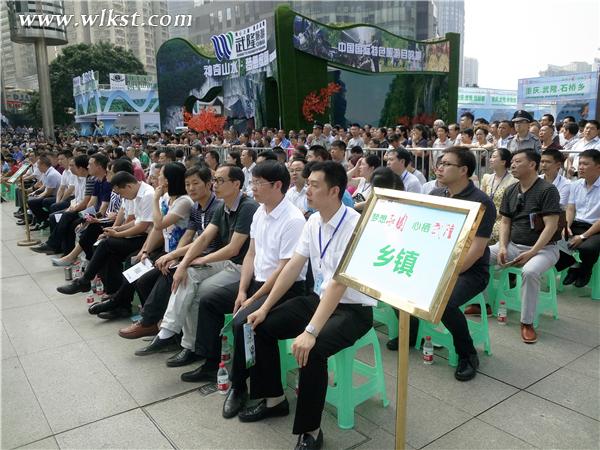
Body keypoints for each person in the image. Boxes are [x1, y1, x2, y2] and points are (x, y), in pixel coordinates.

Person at [241, 161, 375, 449]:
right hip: (319, 299)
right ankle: (274, 398)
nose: (307, 190)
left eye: (315, 185)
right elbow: (292, 268)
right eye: (308, 183)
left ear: (335, 191)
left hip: (352, 309)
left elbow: (339, 284)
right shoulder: (313, 221)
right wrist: (265, 306)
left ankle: (310, 430)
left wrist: (311, 331)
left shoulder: (355, 226)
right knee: (261, 325)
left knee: (311, 351)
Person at [186, 161, 307, 386]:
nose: (253, 187)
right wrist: (242, 290)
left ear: (277, 185)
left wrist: (252, 298)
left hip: (284, 288)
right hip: (255, 283)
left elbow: (284, 269)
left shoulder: (293, 220)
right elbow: (250, 254)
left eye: (258, 183)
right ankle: (210, 363)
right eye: (253, 182)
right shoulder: (260, 212)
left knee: (242, 322)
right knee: (210, 300)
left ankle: (238, 385)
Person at [134, 164, 259, 365]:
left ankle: (190, 346)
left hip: (240, 267)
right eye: (215, 180)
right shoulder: (222, 206)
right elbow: (201, 239)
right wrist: (182, 262)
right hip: (225, 263)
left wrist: (198, 260)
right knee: (186, 276)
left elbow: (233, 249)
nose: (215, 185)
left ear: (236, 184)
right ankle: (175, 337)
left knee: (198, 291)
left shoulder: (247, 207)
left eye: (220, 181)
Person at [118, 166, 223, 338]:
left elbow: (202, 241)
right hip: (183, 251)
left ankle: (152, 324)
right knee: (143, 278)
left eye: (195, 183)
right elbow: (189, 235)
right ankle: (152, 322)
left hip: (209, 257)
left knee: (169, 274)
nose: (191, 188)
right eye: (187, 184)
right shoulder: (195, 206)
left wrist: (178, 258)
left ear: (209, 184)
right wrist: (174, 255)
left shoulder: (199, 204)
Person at [89, 163, 194, 319]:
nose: (156, 178)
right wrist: (145, 251)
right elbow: (157, 230)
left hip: (176, 252)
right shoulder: (167, 198)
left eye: (160, 176)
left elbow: (157, 224)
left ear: (168, 180)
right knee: (135, 267)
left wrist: (156, 199)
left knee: (142, 279)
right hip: (165, 248)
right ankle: (128, 307)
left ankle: (145, 317)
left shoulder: (183, 201)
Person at [430, 147, 496, 380]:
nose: (440, 167)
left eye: (447, 164)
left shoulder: (481, 202)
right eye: (440, 162)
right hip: (436, 263)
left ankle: (467, 353)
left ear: (464, 170)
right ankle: (411, 333)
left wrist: (446, 274)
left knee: (443, 301)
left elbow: (477, 251)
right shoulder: (437, 195)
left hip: (470, 270)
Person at [489, 149, 561, 344]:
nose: (512, 165)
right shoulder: (511, 190)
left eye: (517, 161)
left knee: (529, 272)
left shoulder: (547, 190)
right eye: (511, 161)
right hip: (513, 245)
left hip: (544, 249)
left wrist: (531, 252)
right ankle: (485, 303)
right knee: (480, 254)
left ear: (532, 165)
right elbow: (505, 222)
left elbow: (551, 225)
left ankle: (526, 322)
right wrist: (503, 246)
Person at [56, 171, 155, 296]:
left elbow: (142, 226)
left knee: (106, 245)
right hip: (140, 234)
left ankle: (85, 281)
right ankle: (111, 292)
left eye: (121, 193)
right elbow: (137, 221)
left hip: (148, 238)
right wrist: (116, 230)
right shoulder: (137, 193)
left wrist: (117, 234)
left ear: (128, 186)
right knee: (105, 248)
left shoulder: (148, 195)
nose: (122, 197)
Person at [559, 150, 600, 288]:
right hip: (578, 223)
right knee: (554, 238)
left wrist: (582, 236)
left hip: (596, 228)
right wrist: (567, 226)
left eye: (585, 164)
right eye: (580, 163)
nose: (581, 167)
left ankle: (585, 270)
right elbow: (570, 209)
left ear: (598, 166)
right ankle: (574, 265)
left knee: (588, 248)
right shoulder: (575, 184)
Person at [479, 148, 517, 244]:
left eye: (494, 157)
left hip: (502, 218)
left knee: (490, 234)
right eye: (491, 157)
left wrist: (492, 217)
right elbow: (481, 200)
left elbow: (510, 207)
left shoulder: (513, 181)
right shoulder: (486, 177)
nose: (490, 159)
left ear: (503, 162)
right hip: (485, 216)